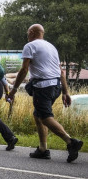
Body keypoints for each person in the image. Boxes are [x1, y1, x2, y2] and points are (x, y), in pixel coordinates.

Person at [7, 24, 83, 162]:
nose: (27, 35)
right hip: (56, 86)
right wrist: (65, 92)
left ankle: (71, 142)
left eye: (27, 33)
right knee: (38, 115)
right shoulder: (51, 47)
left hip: (43, 87)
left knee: (45, 117)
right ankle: (43, 149)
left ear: (31, 32)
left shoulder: (30, 46)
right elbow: (61, 71)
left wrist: (13, 90)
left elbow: (24, 70)